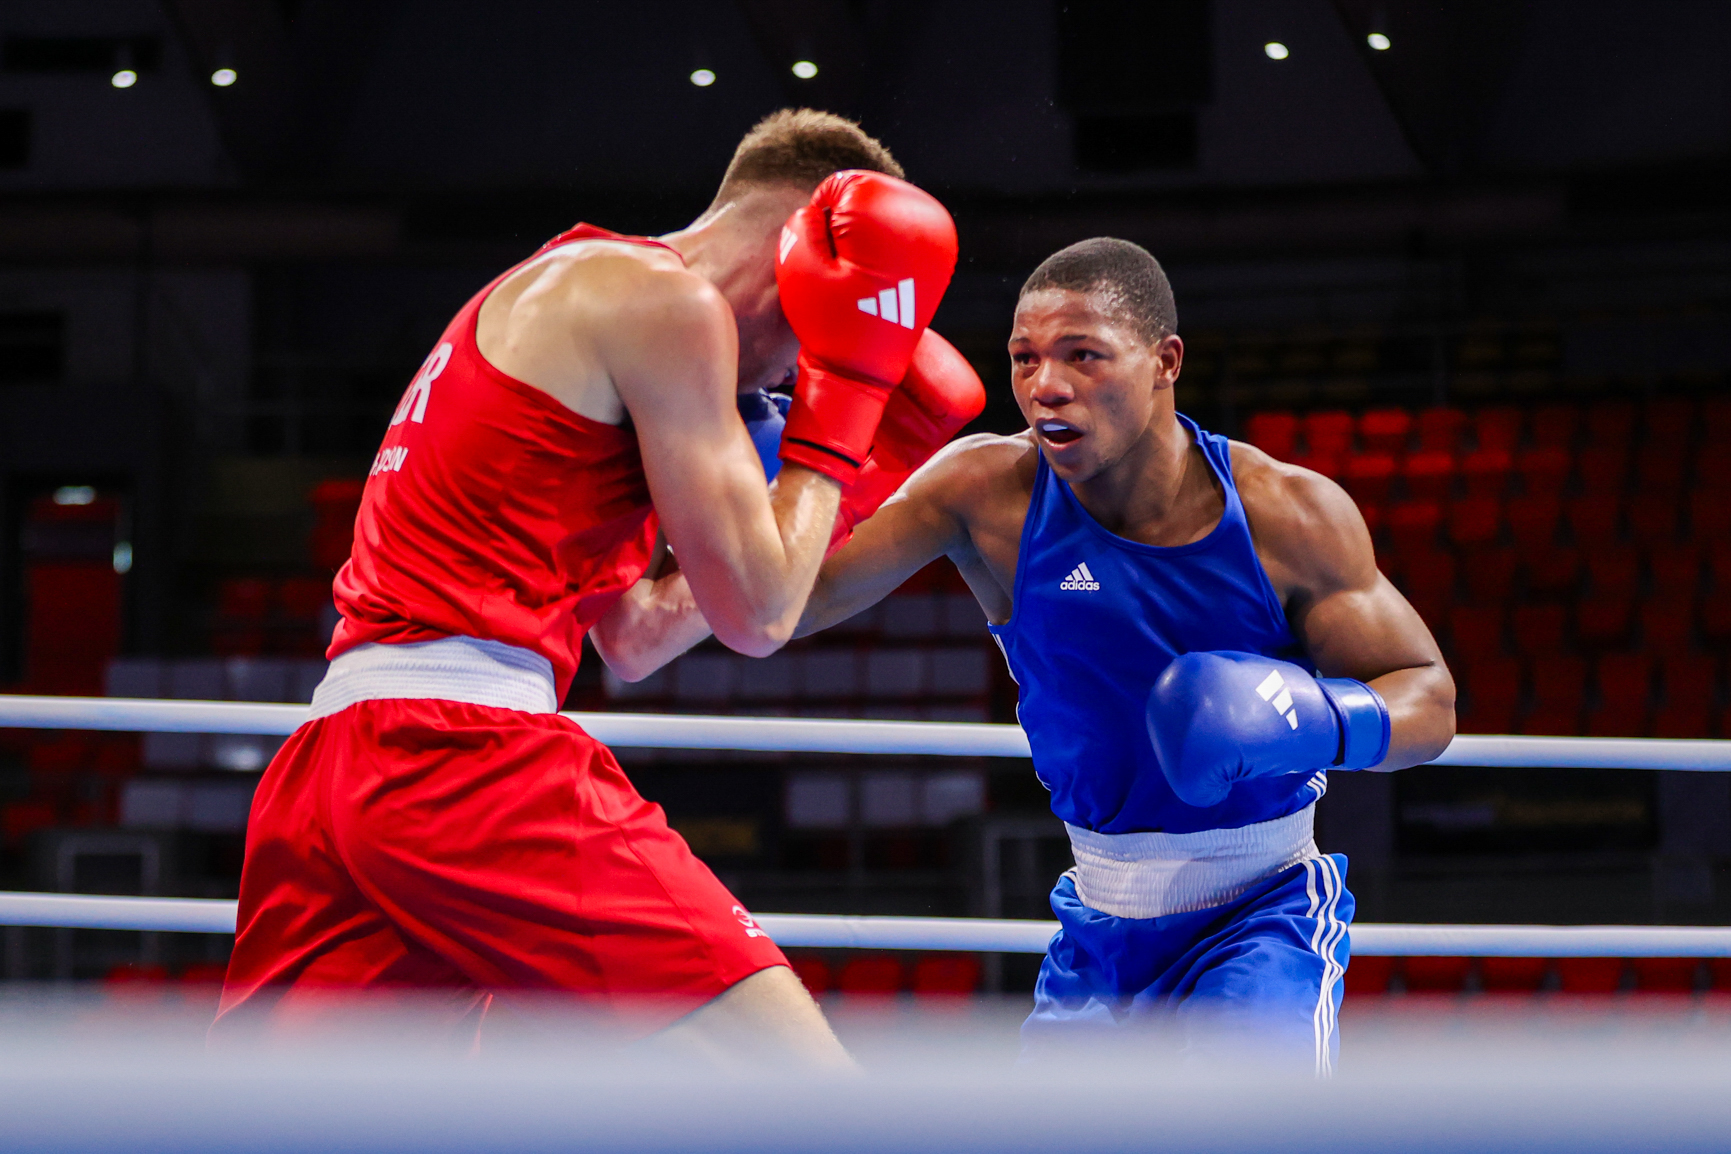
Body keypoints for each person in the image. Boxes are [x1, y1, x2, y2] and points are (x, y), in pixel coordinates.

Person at [213, 109, 970, 1067]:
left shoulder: (572, 293)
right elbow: (761, 613)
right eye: (815, 344)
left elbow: (638, 636)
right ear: (804, 254)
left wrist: (846, 480)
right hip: (461, 760)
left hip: (338, 767)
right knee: (794, 1072)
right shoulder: (667, 307)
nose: (785, 384)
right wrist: (848, 426)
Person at [638, 237, 1456, 1071]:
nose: (1044, 386)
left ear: (1164, 361)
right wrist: (724, 463)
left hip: (1262, 913)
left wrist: (1313, 720)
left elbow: (1426, 696)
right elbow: (786, 603)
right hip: (1097, 924)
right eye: (1023, 359)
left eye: (1082, 355)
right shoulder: (983, 493)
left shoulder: (1286, 515)